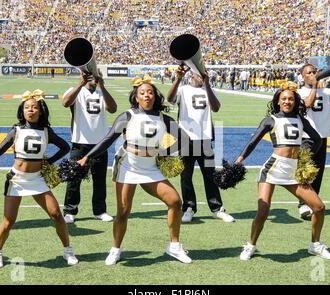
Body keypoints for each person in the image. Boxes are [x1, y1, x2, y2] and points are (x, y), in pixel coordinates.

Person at [77, 75, 192, 265]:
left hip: (151, 168)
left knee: (175, 201)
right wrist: (87, 157)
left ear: (155, 96)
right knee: (123, 211)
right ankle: (115, 249)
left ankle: (174, 246)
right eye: (142, 93)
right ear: (136, 97)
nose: (147, 96)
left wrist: (165, 152)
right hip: (127, 165)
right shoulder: (128, 116)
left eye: (150, 92)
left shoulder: (164, 118)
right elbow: (107, 139)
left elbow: (185, 140)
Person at [235, 81, 330, 261]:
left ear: (295, 101)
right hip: (272, 169)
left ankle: (315, 245)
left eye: (290, 99)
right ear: (278, 102)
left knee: (319, 207)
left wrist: (305, 155)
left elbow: (317, 140)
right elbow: (253, 141)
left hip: (294, 171)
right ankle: (250, 245)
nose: (287, 102)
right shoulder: (271, 119)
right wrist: (240, 159)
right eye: (284, 99)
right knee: (263, 211)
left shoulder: (301, 120)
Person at [0, 90, 77, 269]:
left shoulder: (46, 131)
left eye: (34, 107)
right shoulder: (17, 129)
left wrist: (49, 162)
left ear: (40, 110)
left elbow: (65, 147)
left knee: (56, 214)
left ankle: (68, 250)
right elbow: (0, 148)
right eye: (27, 108)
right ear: (22, 111)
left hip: (37, 179)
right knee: (8, 221)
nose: (30, 110)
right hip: (17, 179)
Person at [167, 65, 234, 223]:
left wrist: (208, 85)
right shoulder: (183, 89)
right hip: (185, 139)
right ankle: (189, 207)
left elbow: (216, 108)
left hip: (204, 139)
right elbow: (169, 99)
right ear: (191, 74)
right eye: (198, 73)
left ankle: (216, 208)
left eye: (203, 73)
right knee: (186, 176)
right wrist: (177, 79)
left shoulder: (208, 89)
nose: (201, 75)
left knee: (210, 175)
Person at [62, 71, 117, 223]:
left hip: (100, 144)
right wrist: (80, 83)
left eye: (97, 75)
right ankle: (70, 210)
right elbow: (65, 103)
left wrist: (103, 87)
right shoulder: (76, 91)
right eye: (92, 75)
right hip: (80, 142)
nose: (95, 77)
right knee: (74, 178)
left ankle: (99, 211)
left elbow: (113, 109)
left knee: (99, 179)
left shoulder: (101, 93)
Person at [296, 64, 330, 219]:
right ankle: (302, 204)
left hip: (323, 137)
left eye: (314, 72)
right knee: (305, 172)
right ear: (303, 77)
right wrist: (314, 87)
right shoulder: (299, 93)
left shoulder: (325, 91)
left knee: (317, 172)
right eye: (309, 72)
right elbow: (308, 104)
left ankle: (313, 201)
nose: (312, 74)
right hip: (306, 138)